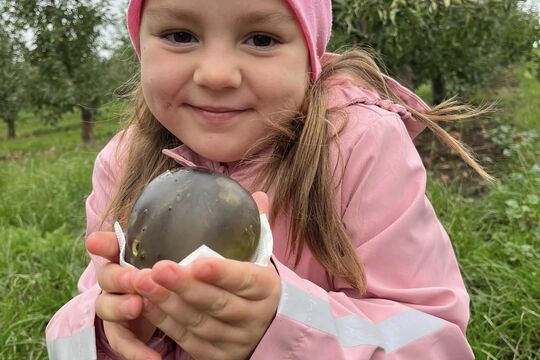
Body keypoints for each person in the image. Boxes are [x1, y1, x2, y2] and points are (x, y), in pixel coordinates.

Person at [46, 0, 492, 359]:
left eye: (261, 38)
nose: (216, 74)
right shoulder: (123, 161)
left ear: (309, 56)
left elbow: (435, 341)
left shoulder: (357, 145)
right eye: (180, 35)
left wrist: (285, 326)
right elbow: (82, 311)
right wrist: (110, 326)